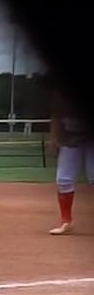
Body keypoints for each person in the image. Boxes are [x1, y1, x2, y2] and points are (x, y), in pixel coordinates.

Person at [48, 75, 86, 234]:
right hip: (70, 139)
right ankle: (66, 222)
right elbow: (56, 115)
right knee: (63, 180)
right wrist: (54, 136)